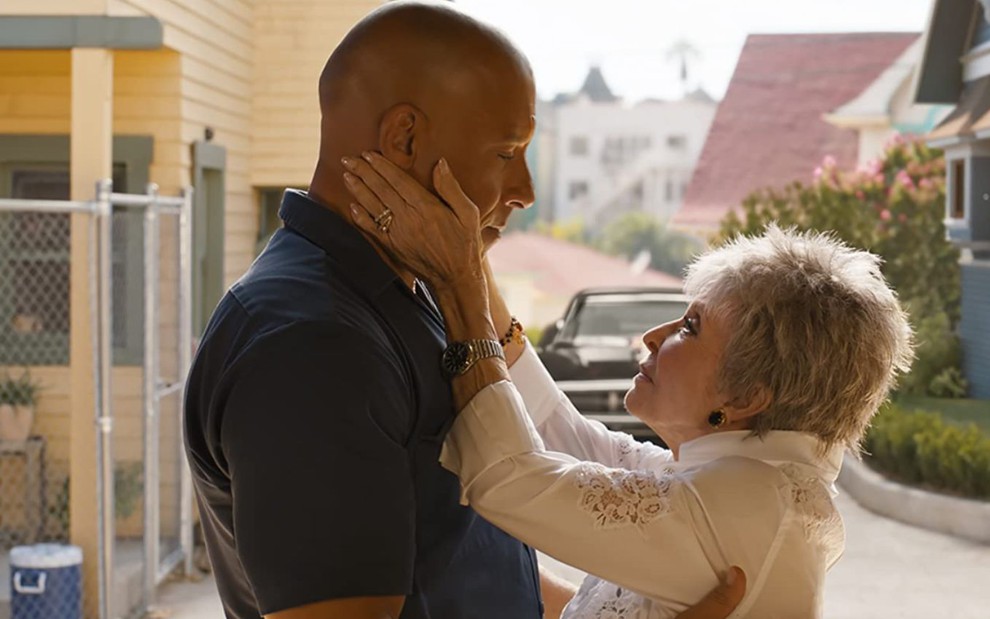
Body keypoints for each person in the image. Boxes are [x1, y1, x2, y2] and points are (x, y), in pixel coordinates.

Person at [183, 2, 744, 618]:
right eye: (507, 152)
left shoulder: (410, 291)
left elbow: (470, 563)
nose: (526, 190)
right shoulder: (312, 345)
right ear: (404, 138)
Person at [342, 153, 914, 617]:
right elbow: (561, 432)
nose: (652, 336)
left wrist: (459, 280)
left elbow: (510, 479)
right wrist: (473, 260)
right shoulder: (733, 480)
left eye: (689, 327)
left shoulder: (745, 505)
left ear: (746, 397)